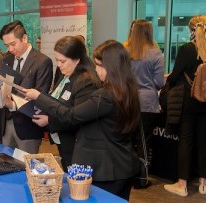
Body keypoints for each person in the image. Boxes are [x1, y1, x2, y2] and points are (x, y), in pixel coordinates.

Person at [24, 40, 140, 200]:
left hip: (107, 168)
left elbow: (71, 116)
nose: (96, 69)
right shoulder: (127, 90)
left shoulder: (105, 95)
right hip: (123, 164)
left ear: (112, 67)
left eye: (99, 65)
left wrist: (39, 97)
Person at [31, 36, 98, 170]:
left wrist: (50, 120)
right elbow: (57, 100)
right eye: (57, 60)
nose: (59, 65)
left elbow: (76, 117)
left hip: (76, 143)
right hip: (62, 140)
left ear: (77, 60)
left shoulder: (86, 81)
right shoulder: (65, 73)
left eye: (63, 61)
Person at [164, 15, 206, 197]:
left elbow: (175, 77)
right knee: (204, 143)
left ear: (191, 31)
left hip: (188, 103)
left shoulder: (187, 49)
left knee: (186, 142)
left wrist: (169, 78)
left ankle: (182, 185)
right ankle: (204, 184)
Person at [0, 20, 53, 153]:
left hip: (28, 125)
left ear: (24, 38)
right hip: (6, 123)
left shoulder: (42, 61)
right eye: (6, 45)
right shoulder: (7, 59)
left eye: (13, 44)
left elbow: (41, 97)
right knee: (6, 163)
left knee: (26, 167)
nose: (10, 49)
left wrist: (13, 105)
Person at [125, 19, 164, 188]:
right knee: (144, 141)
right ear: (149, 32)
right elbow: (159, 83)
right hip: (148, 103)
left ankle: (129, 175)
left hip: (129, 101)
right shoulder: (156, 53)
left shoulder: (125, 52)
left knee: (130, 140)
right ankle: (141, 179)